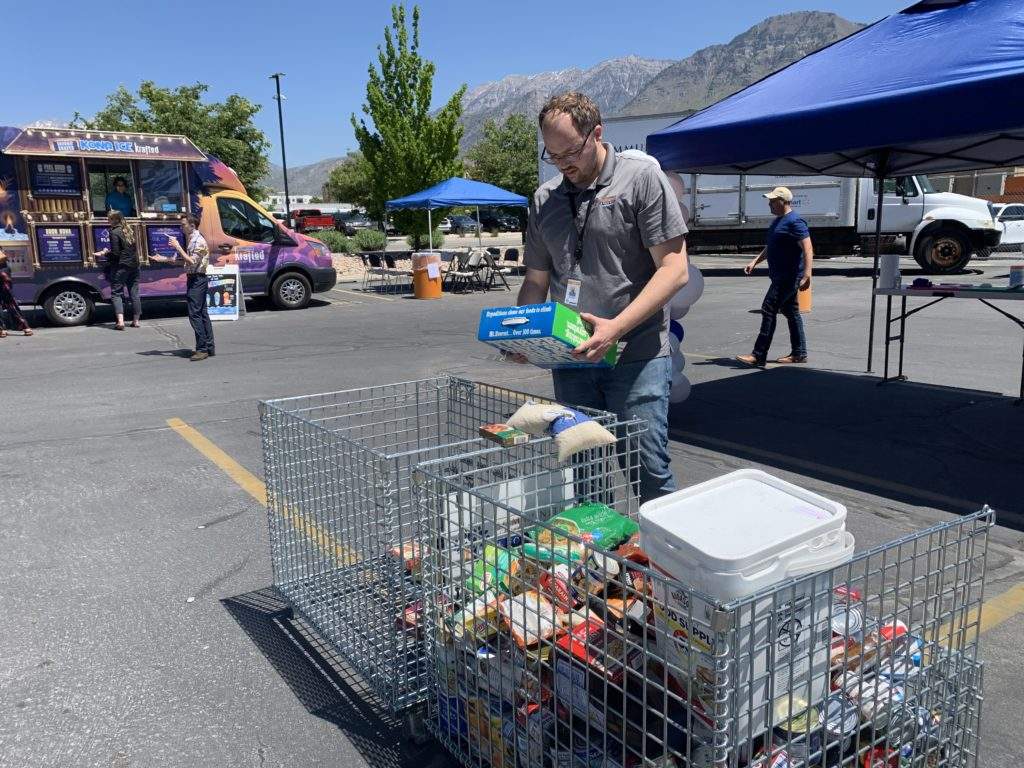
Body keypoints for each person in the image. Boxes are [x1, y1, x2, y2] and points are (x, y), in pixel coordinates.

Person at [517, 91, 689, 503]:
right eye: (552, 156)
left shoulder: (641, 179)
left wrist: (615, 329)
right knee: (585, 474)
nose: (563, 165)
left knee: (646, 469)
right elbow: (536, 280)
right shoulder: (545, 200)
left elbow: (675, 269)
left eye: (570, 152)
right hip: (571, 358)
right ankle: (600, 563)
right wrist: (522, 331)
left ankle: (667, 564)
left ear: (597, 133)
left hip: (636, 355)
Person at [736, 186, 813, 366]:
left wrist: (807, 274)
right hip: (779, 275)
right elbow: (772, 246)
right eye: (769, 201)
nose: (769, 204)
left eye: (772, 201)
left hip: (789, 277)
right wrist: (755, 261)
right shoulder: (778, 221)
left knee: (768, 308)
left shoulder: (795, 221)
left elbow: (808, 248)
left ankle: (758, 355)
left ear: (784, 201)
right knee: (791, 312)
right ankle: (799, 353)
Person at [160, 215, 214, 361]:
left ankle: (202, 349)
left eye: (183, 224)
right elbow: (187, 263)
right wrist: (167, 260)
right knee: (202, 313)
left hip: (197, 280)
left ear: (192, 225)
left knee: (195, 314)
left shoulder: (198, 241)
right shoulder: (193, 239)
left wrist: (177, 247)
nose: (181, 227)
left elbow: (191, 261)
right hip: (196, 278)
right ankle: (209, 346)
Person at [93, 211, 141, 330]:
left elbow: (116, 253)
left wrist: (104, 253)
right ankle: (136, 321)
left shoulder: (114, 232)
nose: (107, 221)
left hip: (121, 266)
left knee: (116, 292)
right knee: (134, 293)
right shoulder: (129, 230)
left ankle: (120, 322)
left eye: (109, 219)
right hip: (134, 265)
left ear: (114, 220)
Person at [0, 247, 33, 337]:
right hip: (4, 272)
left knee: (9, 301)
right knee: (11, 302)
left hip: (2, 272)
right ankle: (26, 327)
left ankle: (2, 330)